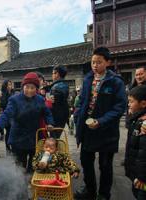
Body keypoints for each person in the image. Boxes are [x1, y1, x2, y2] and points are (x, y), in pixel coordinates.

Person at [74, 47, 127, 200]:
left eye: (99, 62)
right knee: (86, 161)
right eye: (93, 62)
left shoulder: (115, 82)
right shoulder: (87, 79)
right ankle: (89, 190)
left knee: (105, 166)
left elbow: (119, 108)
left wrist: (101, 121)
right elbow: (83, 102)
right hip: (88, 129)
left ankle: (104, 194)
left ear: (107, 62)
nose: (95, 65)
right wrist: (77, 118)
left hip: (106, 131)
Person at [0, 72, 54, 173]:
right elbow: (7, 113)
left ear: (37, 89)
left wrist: (49, 123)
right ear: (23, 87)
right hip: (19, 138)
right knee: (20, 168)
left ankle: (31, 185)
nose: (29, 90)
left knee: (34, 165)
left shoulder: (40, 99)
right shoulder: (14, 100)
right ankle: (20, 187)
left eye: (33, 88)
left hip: (34, 137)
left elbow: (47, 113)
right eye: (27, 87)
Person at [124, 85, 146, 200]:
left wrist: (142, 177)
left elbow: (144, 154)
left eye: (131, 102)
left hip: (142, 178)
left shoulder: (143, 124)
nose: (128, 104)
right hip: (136, 172)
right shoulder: (136, 119)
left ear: (143, 104)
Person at [49, 66, 69, 138]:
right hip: (63, 115)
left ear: (57, 74)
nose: (52, 75)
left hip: (56, 116)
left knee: (54, 138)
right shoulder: (64, 85)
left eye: (53, 73)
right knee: (56, 137)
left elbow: (52, 103)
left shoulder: (56, 87)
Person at [0, 80, 15, 152]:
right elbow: (3, 105)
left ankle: (12, 145)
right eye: (8, 85)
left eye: (10, 84)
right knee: (8, 131)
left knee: (13, 131)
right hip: (7, 115)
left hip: (14, 115)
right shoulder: (3, 94)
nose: (10, 86)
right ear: (5, 86)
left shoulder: (13, 92)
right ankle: (7, 146)